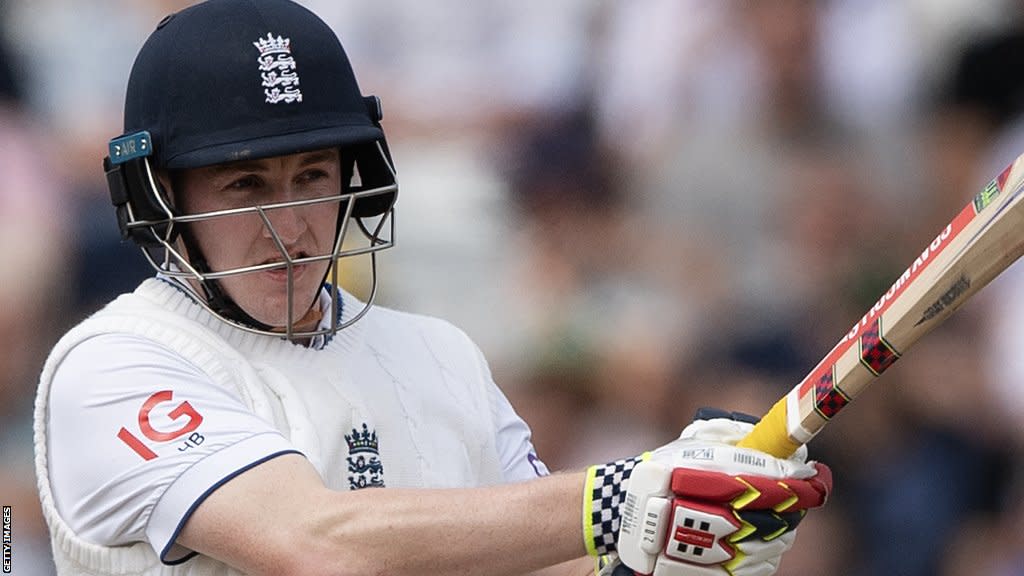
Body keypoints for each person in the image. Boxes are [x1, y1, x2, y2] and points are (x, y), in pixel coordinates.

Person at [32, 1, 832, 575]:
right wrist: (625, 494)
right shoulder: (113, 365)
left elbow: (549, 561)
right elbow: (318, 543)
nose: (291, 227)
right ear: (160, 200)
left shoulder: (438, 352)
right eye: (245, 187)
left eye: (311, 177)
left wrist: (672, 550)